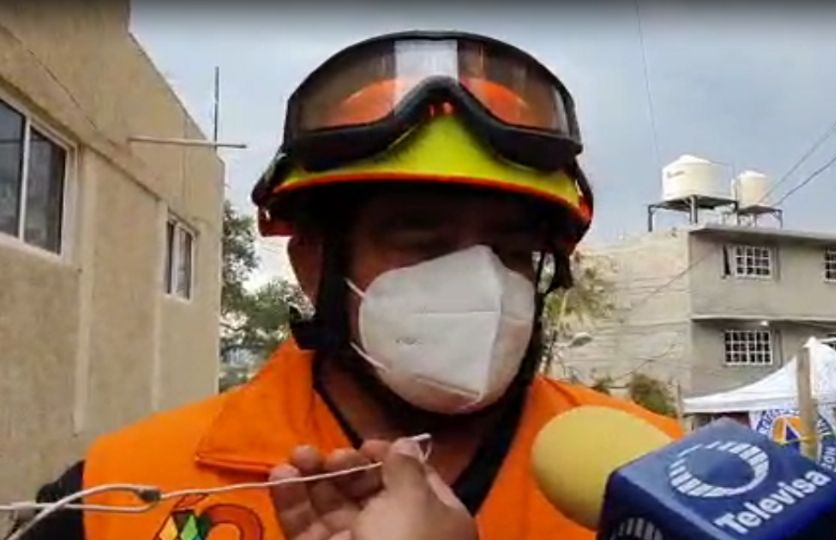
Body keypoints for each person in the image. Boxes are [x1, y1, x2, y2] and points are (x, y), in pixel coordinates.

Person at [12, 31, 682, 540]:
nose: (479, 281)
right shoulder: (127, 492)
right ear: (314, 262)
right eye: (421, 242)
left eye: (510, 250)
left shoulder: (665, 476)